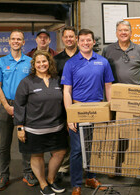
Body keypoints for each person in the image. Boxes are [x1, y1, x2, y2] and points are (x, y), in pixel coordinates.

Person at [61, 29, 114, 195]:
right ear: (78, 41)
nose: (85, 43)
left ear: (93, 42)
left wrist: (110, 110)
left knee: (95, 147)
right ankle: (76, 184)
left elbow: (108, 86)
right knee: (77, 149)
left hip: (98, 109)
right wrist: (70, 116)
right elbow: (67, 91)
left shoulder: (103, 62)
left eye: (88, 40)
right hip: (78, 109)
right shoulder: (71, 63)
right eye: (82, 40)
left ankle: (91, 177)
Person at [14, 50, 67, 195]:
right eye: (38, 62)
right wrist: (20, 127)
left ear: (49, 62)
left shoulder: (57, 79)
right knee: (37, 156)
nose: (41, 64)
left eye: (44, 61)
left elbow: (64, 101)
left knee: (60, 152)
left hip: (57, 127)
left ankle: (50, 179)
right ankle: (43, 185)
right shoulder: (27, 82)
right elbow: (19, 105)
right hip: (34, 129)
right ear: (34, 64)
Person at [0, 29, 38, 191]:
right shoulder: (1, 61)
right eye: (13, 39)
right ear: (9, 41)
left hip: (25, 105)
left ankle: (28, 173)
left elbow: (34, 84)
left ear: (24, 42)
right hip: (6, 104)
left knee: (25, 140)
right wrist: (6, 106)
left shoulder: (30, 61)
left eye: (19, 39)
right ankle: (4, 175)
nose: (16, 41)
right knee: (4, 144)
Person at [53, 26, 79, 182]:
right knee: (63, 136)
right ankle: (63, 167)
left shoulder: (83, 55)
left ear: (76, 38)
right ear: (62, 39)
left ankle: (82, 166)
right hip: (62, 102)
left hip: (82, 101)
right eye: (66, 37)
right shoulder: (57, 60)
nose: (69, 39)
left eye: (71, 36)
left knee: (81, 135)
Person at [102, 20, 140, 84]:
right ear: (116, 33)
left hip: (135, 91)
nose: (123, 33)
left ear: (131, 33)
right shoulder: (107, 50)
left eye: (126, 30)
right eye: (120, 30)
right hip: (115, 91)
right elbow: (103, 72)